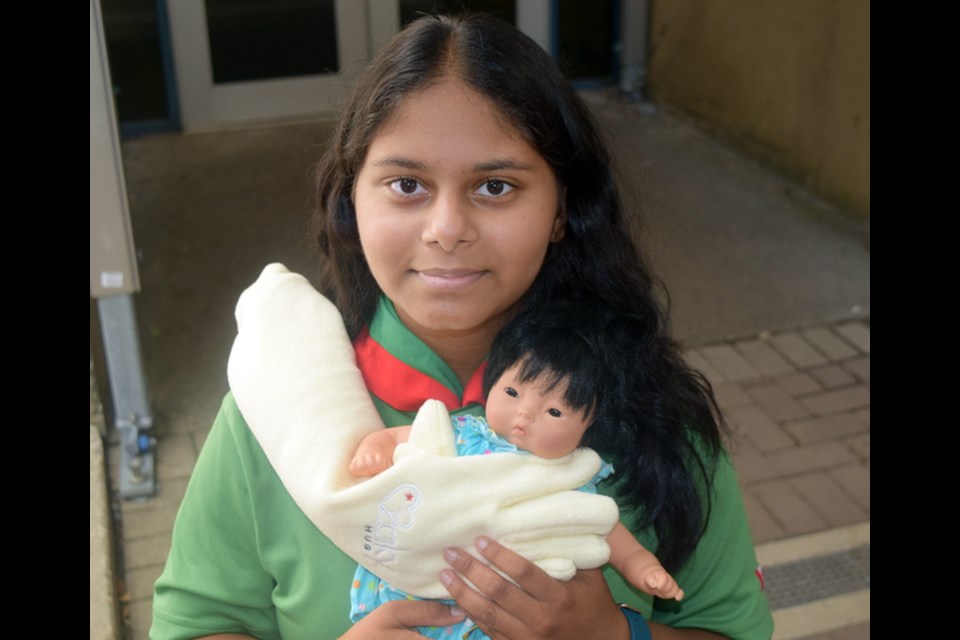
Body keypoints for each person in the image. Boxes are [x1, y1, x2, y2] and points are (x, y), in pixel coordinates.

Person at [151, 11, 774, 640]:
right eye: (406, 184)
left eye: (496, 186)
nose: (446, 228)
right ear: (352, 199)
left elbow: (732, 628)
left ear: (563, 210)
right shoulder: (278, 403)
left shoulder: (650, 407)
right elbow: (195, 622)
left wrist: (613, 635)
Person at [348, 301, 684, 639]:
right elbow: (407, 438)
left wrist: (641, 565)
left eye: (553, 412)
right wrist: (376, 448)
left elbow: (602, 524)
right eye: (512, 392)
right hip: (420, 576)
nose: (524, 414)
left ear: (588, 429)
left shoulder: (564, 478)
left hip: (501, 609)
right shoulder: (464, 433)